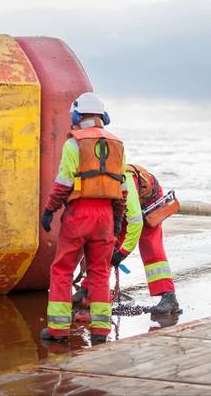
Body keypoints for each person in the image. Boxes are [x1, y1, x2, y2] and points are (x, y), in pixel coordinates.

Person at [40, 92, 126, 343]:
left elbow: (63, 183)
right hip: (106, 216)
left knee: (62, 269)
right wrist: (118, 219)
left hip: (79, 214)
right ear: (103, 117)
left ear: (77, 115)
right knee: (99, 272)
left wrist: (49, 210)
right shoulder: (118, 145)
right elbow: (122, 190)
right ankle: (101, 331)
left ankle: (58, 330)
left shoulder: (73, 144)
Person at [73, 164, 181, 315]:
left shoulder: (125, 184)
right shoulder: (99, 186)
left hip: (148, 202)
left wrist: (123, 253)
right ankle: (86, 290)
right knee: (107, 245)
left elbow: (136, 223)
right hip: (122, 208)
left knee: (150, 247)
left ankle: (169, 298)